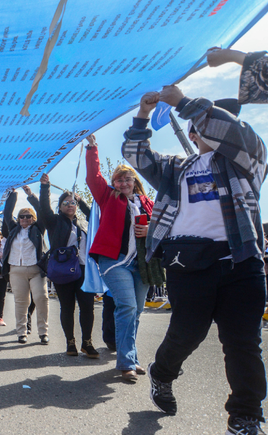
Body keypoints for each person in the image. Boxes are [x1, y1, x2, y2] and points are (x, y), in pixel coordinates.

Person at [125, 81, 267, 434]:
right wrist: (143, 115)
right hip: (187, 261)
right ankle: (162, 373)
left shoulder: (245, 160)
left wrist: (185, 101)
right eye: (209, 120)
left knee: (242, 342)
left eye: (227, 120)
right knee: (187, 333)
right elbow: (136, 156)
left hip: (241, 259)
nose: (221, 125)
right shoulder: (176, 168)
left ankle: (245, 418)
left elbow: (235, 133)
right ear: (193, 129)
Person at [85, 133, 156, 383]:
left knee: (136, 312)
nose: (124, 182)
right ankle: (126, 362)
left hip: (142, 264)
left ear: (134, 181)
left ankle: (131, 357)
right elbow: (93, 179)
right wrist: (92, 149)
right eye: (119, 179)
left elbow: (162, 226)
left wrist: (150, 229)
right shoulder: (109, 197)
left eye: (128, 178)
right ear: (114, 183)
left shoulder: (148, 203)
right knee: (126, 306)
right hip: (114, 262)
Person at [35, 173, 97, 358]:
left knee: (87, 306)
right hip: (63, 271)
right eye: (66, 203)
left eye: (73, 203)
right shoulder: (54, 222)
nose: (70, 205)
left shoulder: (84, 224)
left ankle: (87, 342)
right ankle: (70, 342)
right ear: (60, 207)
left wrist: (81, 200)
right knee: (67, 307)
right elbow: (44, 209)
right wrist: (45, 187)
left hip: (84, 270)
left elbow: (94, 214)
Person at [2, 187, 48, 343]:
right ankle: (22, 332)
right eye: (22, 216)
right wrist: (13, 194)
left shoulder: (38, 229)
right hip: (16, 270)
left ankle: (43, 332)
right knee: (21, 302)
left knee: (41, 298)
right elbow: (7, 213)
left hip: (36, 270)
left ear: (33, 218)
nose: (25, 219)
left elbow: (42, 211)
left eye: (28, 216)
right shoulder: (14, 229)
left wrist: (30, 195)